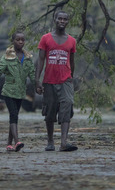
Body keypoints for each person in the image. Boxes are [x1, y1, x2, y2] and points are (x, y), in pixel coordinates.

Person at [0, 31, 35, 152]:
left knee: (14, 117)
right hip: (9, 92)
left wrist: (37, 85)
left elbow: (32, 73)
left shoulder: (27, 58)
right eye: (18, 40)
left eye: (22, 40)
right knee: (13, 115)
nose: (20, 42)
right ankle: (17, 141)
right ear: (13, 41)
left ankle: (9, 144)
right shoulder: (7, 57)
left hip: (21, 92)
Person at [35, 10, 78, 152]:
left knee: (67, 105)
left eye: (65, 19)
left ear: (67, 21)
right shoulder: (46, 38)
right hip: (49, 80)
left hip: (65, 80)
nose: (62, 21)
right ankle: (50, 141)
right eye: (59, 18)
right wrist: (37, 80)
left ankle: (64, 142)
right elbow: (41, 60)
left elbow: (72, 62)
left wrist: (71, 78)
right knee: (50, 111)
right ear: (55, 19)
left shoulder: (72, 40)